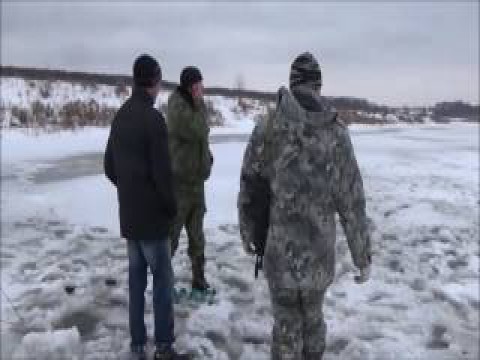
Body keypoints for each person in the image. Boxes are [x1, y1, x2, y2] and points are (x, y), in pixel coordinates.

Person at [238, 52, 372, 359]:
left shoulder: (268, 127)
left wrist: (249, 233)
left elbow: (250, 185)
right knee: (313, 324)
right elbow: (351, 198)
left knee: (285, 325)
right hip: (318, 256)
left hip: (279, 253)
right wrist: (362, 255)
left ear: (292, 83)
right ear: (318, 85)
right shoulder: (336, 133)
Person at [104, 54, 190, 360]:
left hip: (130, 217)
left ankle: (138, 345)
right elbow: (162, 175)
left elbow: (109, 167)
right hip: (152, 222)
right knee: (163, 285)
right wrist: (170, 208)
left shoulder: (121, 115)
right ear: (154, 81)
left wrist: (130, 192)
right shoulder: (153, 120)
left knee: (137, 284)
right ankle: (164, 347)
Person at [167, 66, 213, 291]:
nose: (199, 89)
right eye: (195, 86)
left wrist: (207, 158)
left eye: (200, 85)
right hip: (179, 184)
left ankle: (199, 277)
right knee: (171, 235)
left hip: (197, 182)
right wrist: (200, 107)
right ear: (187, 87)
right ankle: (161, 278)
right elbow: (197, 129)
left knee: (197, 235)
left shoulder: (196, 105)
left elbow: (202, 137)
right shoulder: (177, 106)